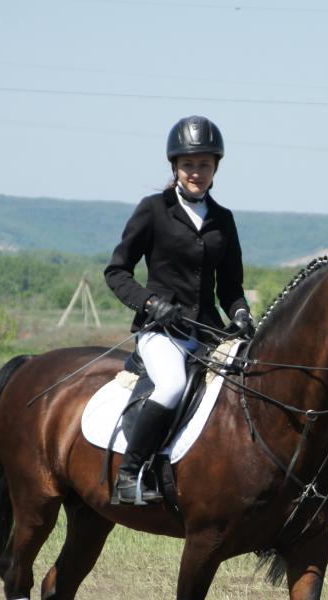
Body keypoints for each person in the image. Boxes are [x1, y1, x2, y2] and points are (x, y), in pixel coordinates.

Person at [104, 115, 254, 505]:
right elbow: (117, 271)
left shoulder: (223, 220)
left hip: (208, 332)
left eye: (204, 165)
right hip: (162, 333)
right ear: (175, 166)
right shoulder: (153, 209)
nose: (196, 173)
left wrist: (240, 314)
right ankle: (131, 471)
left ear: (215, 168)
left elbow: (231, 289)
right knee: (170, 385)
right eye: (189, 165)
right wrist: (152, 303)